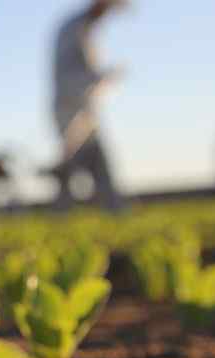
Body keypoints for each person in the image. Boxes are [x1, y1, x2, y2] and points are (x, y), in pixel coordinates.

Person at [48, 0, 128, 213]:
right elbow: (80, 74)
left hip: (81, 109)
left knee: (93, 164)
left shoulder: (80, 28)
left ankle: (114, 210)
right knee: (74, 165)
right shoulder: (77, 29)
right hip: (72, 109)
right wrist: (107, 76)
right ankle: (111, 211)